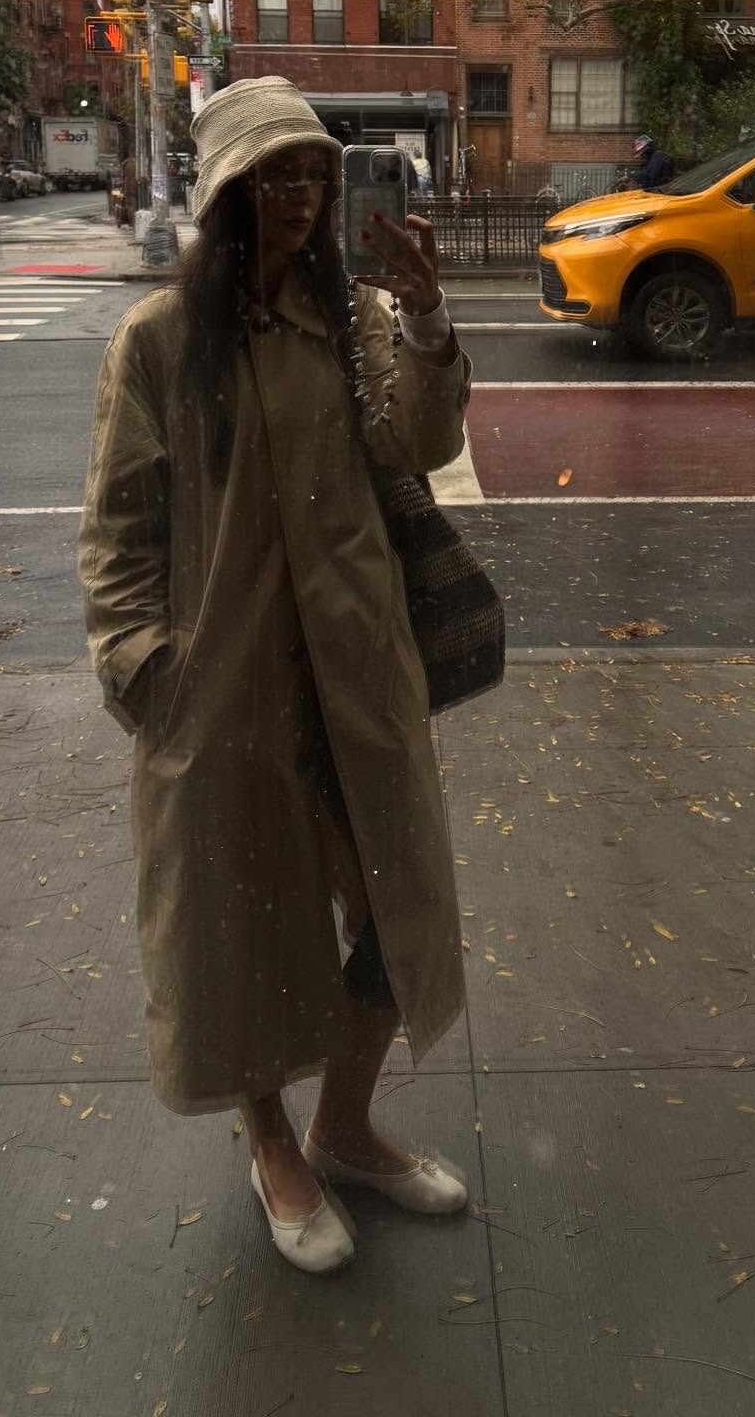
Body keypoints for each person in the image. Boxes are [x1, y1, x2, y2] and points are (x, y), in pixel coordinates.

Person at [79, 76, 473, 1276]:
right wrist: (152, 675)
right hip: (224, 692)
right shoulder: (157, 342)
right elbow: (117, 537)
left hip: (358, 679)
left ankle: (344, 1128)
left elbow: (425, 441)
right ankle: (272, 1148)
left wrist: (421, 320)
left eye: (313, 175)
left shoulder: (351, 321)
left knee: (396, 914)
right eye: (276, 178)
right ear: (228, 193)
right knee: (236, 934)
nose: (299, 200)